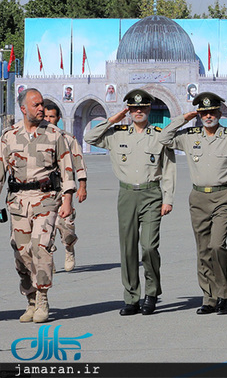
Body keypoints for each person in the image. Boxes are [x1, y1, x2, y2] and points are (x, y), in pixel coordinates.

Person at [159, 92, 227, 315]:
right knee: (203, 250)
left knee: (217, 245)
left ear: (220, 113)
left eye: (212, 112)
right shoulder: (190, 135)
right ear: (199, 115)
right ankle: (209, 298)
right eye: (204, 113)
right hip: (198, 198)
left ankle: (223, 294)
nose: (208, 116)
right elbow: (163, 138)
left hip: (223, 197)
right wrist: (184, 118)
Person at [85, 89, 176, 316]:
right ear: (128, 111)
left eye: (143, 108)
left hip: (152, 194)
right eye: (134, 108)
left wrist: (168, 199)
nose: (138, 112)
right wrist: (111, 120)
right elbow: (89, 138)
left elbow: (168, 169)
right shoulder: (117, 134)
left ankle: (152, 293)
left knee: (148, 247)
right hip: (126, 195)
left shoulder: (159, 134)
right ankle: (132, 297)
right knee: (127, 248)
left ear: (149, 109)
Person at [1, 88, 76, 323]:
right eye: (36, 105)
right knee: (21, 252)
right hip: (18, 203)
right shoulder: (8, 136)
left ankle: (43, 298)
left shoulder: (55, 134)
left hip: (46, 200)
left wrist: (67, 201)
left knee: (41, 247)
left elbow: (67, 168)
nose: (41, 108)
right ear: (23, 109)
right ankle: (30, 300)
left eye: (42, 104)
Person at [43, 102, 88, 272]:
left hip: (64, 189)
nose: (48, 120)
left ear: (58, 119)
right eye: (45, 116)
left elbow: (79, 162)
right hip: (44, 191)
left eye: (51, 117)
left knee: (66, 226)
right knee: (46, 227)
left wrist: (82, 186)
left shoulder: (67, 138)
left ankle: (69, 248)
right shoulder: (37, 138)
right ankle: (48, 257)